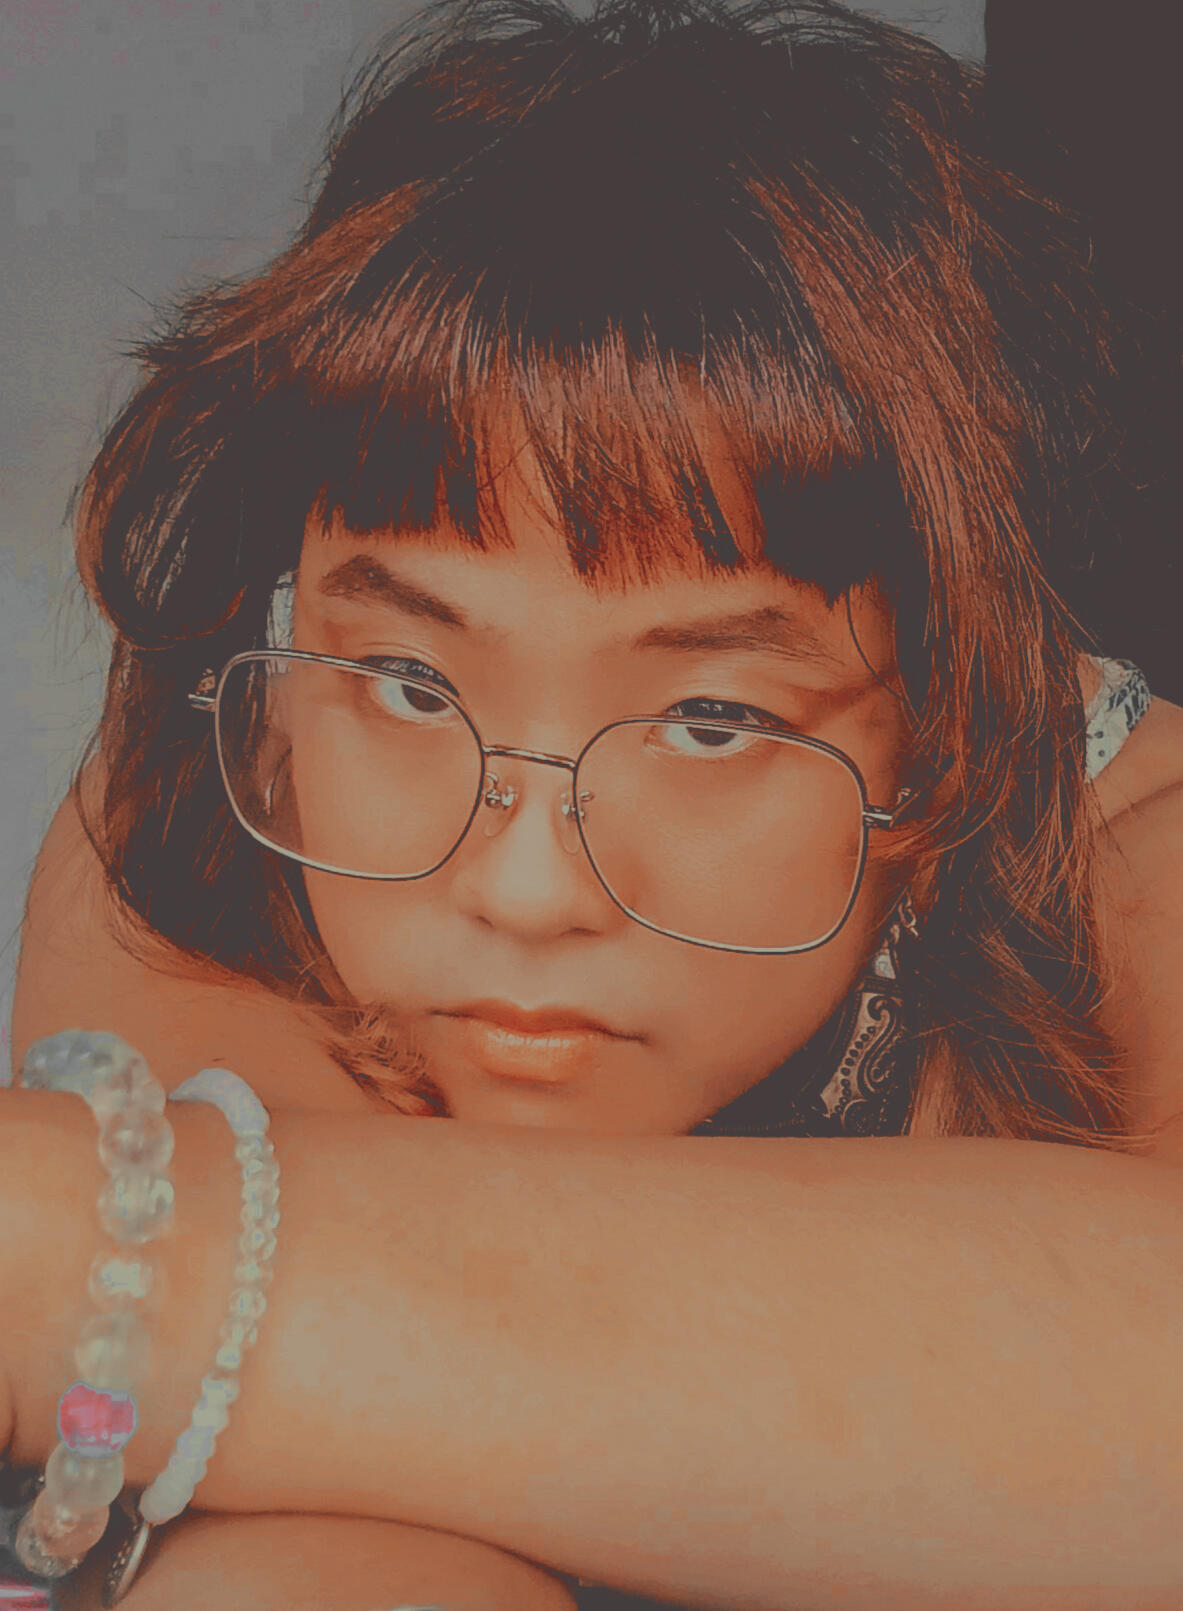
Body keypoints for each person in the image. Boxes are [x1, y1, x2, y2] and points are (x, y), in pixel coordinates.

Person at [4, 0, 1183, 1605]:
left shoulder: (1137, 850)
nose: (525, 889)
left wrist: (71, 1253)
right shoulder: (233, 769)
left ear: (946, 723)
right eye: (415, 683)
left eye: (709, 720)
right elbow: (322, 1551)